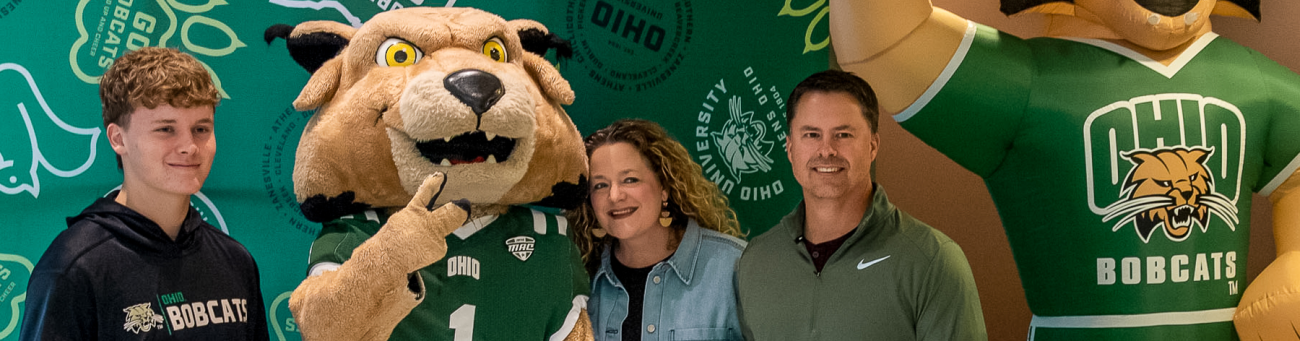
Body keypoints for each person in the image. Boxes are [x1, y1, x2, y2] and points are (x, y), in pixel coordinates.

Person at [20, 47, 269, 340]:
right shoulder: (73, 269)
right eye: (166, 129)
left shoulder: (235, 261)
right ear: (117, 138)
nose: (189, 146)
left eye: (201, 129)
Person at [735, 70, 986, 340]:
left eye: (843, 135)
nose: (826, 150)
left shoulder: (932, 261)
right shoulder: (756, 262)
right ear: (789, 148)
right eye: (811, 135)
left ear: (873, 146)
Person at [569, 119, 747, 341]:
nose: (614, 196)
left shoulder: (735, 267)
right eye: (600, 185)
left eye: (630, 180)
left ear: (664, 187)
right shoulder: (579, 280)